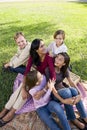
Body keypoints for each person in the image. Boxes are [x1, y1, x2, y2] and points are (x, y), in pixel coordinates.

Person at [47, 52, 87, 130]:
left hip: (64, 90)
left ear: (64, 64)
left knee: (73, 91)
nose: (57, 60)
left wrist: (79, 94)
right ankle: (73, 119)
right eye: (57, 57)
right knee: (67, 92)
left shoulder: (64, 69)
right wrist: (63, 101)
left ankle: (84, 117)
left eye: (60, 59)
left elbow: (71, 82)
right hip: (54, 95)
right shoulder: (49, 70)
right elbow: (52, 88)